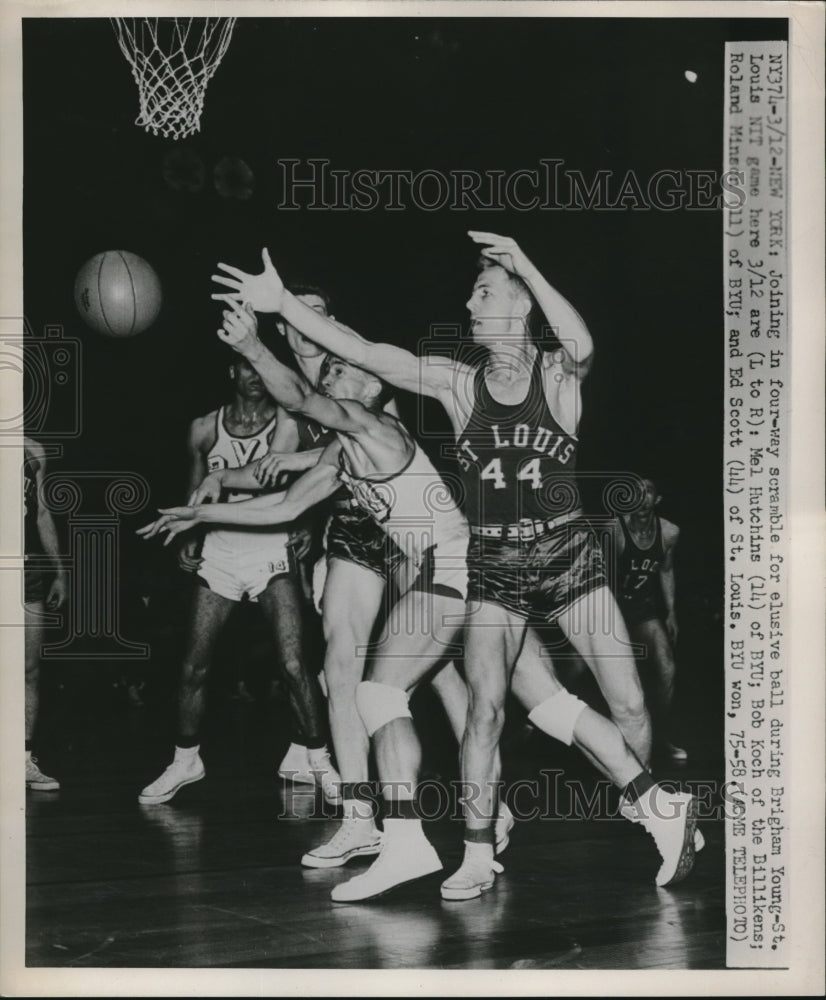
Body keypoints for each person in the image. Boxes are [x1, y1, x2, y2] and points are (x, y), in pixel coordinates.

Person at [203, 239, 698, 901]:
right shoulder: (457, 383)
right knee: (488, 711)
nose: (468, 302)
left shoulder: (557, 373)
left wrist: (523, 260)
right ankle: (475, 851)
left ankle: (653, 808)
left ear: (520, 303)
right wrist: (281, 305)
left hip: (565, 555)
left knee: (628, 706)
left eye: (484, 292)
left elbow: (578, 338)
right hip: (494, 565)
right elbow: (367, 354)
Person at [190, 286, 479, 869]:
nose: (311, 324)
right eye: (299, 315)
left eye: (321, 314)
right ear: (284, 327)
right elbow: (287, 480)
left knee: (443, 671)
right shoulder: (286, 388)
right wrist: (224, 484)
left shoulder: (354, 371)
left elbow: (356, 446)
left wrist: (296, 466)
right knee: (339, 666)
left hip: (402, 530)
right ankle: (358, 818)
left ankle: (484, 801)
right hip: (348, 531)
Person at [137, 354, 339, 806]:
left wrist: (304, 526)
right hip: (222, 553)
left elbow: (302, 484)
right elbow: (197, 486)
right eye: (245, 368)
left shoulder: (286, 423)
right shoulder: (203, 428)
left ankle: (320, 763)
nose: (254, 377)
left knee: (292, 665)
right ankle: (185, 760)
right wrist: (189, 537)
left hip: (270, 548)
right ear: (231, 372)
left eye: (260, 369)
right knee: (194, 664)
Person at [612, 476, 687, 761]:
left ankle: (657, 737)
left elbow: (666, 571)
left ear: (657, 500)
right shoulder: (614, 530)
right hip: (610, 608)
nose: (642, 499)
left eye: (649, 493)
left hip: (643, 611)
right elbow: (602, 579)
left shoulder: (669, 531)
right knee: (574, 669)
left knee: (667, 668)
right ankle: (535, 724)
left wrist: (671, 613)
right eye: (636, 493)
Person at [23, 437, 68, 791]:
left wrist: (60, 572)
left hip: (25, 570)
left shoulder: (33, 450)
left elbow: (41, 512)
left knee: (29, 669)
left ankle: (23, 760)